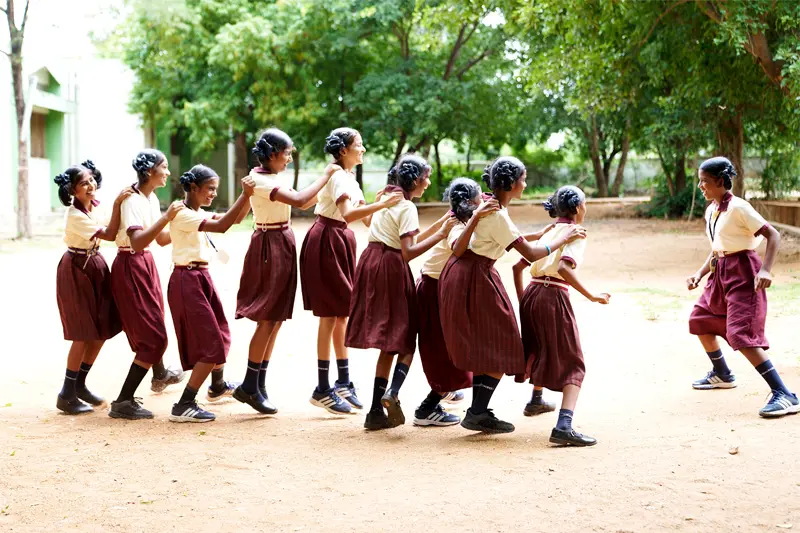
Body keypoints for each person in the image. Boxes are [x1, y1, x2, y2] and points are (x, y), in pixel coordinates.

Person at [439, 156, 585, 433]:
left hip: (465, 273)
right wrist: (561, 239)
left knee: (490, 342)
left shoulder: (488, 205)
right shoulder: (495, 213)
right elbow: (529, 254)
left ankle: (478, 411)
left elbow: (503, 238)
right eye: (523, 178)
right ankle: (478, 411)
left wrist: (541, 234)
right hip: (475, 277)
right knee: (504, 344)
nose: (526, 183)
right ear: (512, 183)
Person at [345, 154, 458, 430]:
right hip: (392, 266)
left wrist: (442, 225)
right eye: (425, 178)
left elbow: (408, 236)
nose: (428, 183)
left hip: (371, 260)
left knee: (387, 340)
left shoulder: (386, 197)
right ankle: (392, 391)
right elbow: (409, 251)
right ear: (415, 180)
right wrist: (442, 235)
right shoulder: (407, 207)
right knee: (406, 337)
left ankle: (374, 411)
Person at [233, 128, 337, 414]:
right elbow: (302, 201)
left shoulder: (268, 178)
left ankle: (258, 383)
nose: (290, 159)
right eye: (287, 153)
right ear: (272, 154)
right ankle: (249, 384)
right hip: (270, 245)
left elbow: (304, 199)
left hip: (280, 240)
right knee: (267, 318)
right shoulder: (261, 181)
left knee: (276, 318)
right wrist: (327, 175)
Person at [299, 128, 402, 414]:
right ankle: (323, 387)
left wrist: (378, 204)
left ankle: (342, 381)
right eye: (359, 145)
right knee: (330, 314)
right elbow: (347, 214)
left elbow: (365, 220)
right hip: (328, 239)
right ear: (343, 150)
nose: (364, 149)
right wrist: (381, 204)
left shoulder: (348, 178)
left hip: (339, 239)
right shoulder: (338, 176)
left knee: (341, 312)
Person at [687, 156, 798, 418]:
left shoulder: (739, 207)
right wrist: (700, 273)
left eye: (705, 182)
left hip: (743, 272)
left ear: (720, 181)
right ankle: (722, 373)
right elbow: (718, 248)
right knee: (700, 320)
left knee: (740, 334)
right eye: (700, 182)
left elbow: (773, 234)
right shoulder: (712, 209)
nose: (701, 187)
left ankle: (785, 394)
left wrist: (766, 269)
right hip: (720, 272)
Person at [515, 186, 609, 446]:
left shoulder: (549, 231)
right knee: (573, 362)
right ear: (578, 208)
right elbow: (564, 268)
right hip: (553, 295)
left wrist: (525, 299)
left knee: (540, 347)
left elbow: (516, 266)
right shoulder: (575, 233)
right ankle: (564, 426)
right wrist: (591, 295)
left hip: (532, 293)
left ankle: (536, 400)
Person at [167, 165, 255, 422]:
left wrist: (248, 196)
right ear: (193, 188)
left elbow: (236, 219)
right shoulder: (182, 213)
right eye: (210, 189)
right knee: (210, 345)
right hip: (187, 279)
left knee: (220, 331)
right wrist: (244, 193)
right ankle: (184, 403)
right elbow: (224, 226)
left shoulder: (196, 212)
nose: (214, 194)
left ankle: (217, 387)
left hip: (200, 277)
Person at [412, 178, 498, 427]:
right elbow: (460, 247)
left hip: (440, 286)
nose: (483, 199)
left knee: (451, 346)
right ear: (471, 202)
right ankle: (427, 407)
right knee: (445, 348)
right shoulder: (457, 223)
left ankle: (442, 393)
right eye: (479, 197)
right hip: (434, 288)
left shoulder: (461, 216)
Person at [109, 150, 186, 420]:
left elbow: (161, 240)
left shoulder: (150, 197)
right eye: (164, 167)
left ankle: (159, 375)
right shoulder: (131, 200)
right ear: (150, 171)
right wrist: (167, 218)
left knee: (155, 322)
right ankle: (123, 401)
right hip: (130, 265)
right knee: (153, 337)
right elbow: (138, 241)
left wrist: (188, 223)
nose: (167, 172)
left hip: (144, 264)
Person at [53, 160, 131, 414]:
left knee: (100, 330)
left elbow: (115, 227)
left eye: (91, 180)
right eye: (82, 183)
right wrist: (119, 202)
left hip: (94, 265)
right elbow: (108, 234)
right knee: (81, 332)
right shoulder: (75, 215)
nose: (90, 185)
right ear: (71, 190)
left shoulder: (94, 208)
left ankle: (79, 384)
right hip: (76, 268)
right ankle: (66, 393)